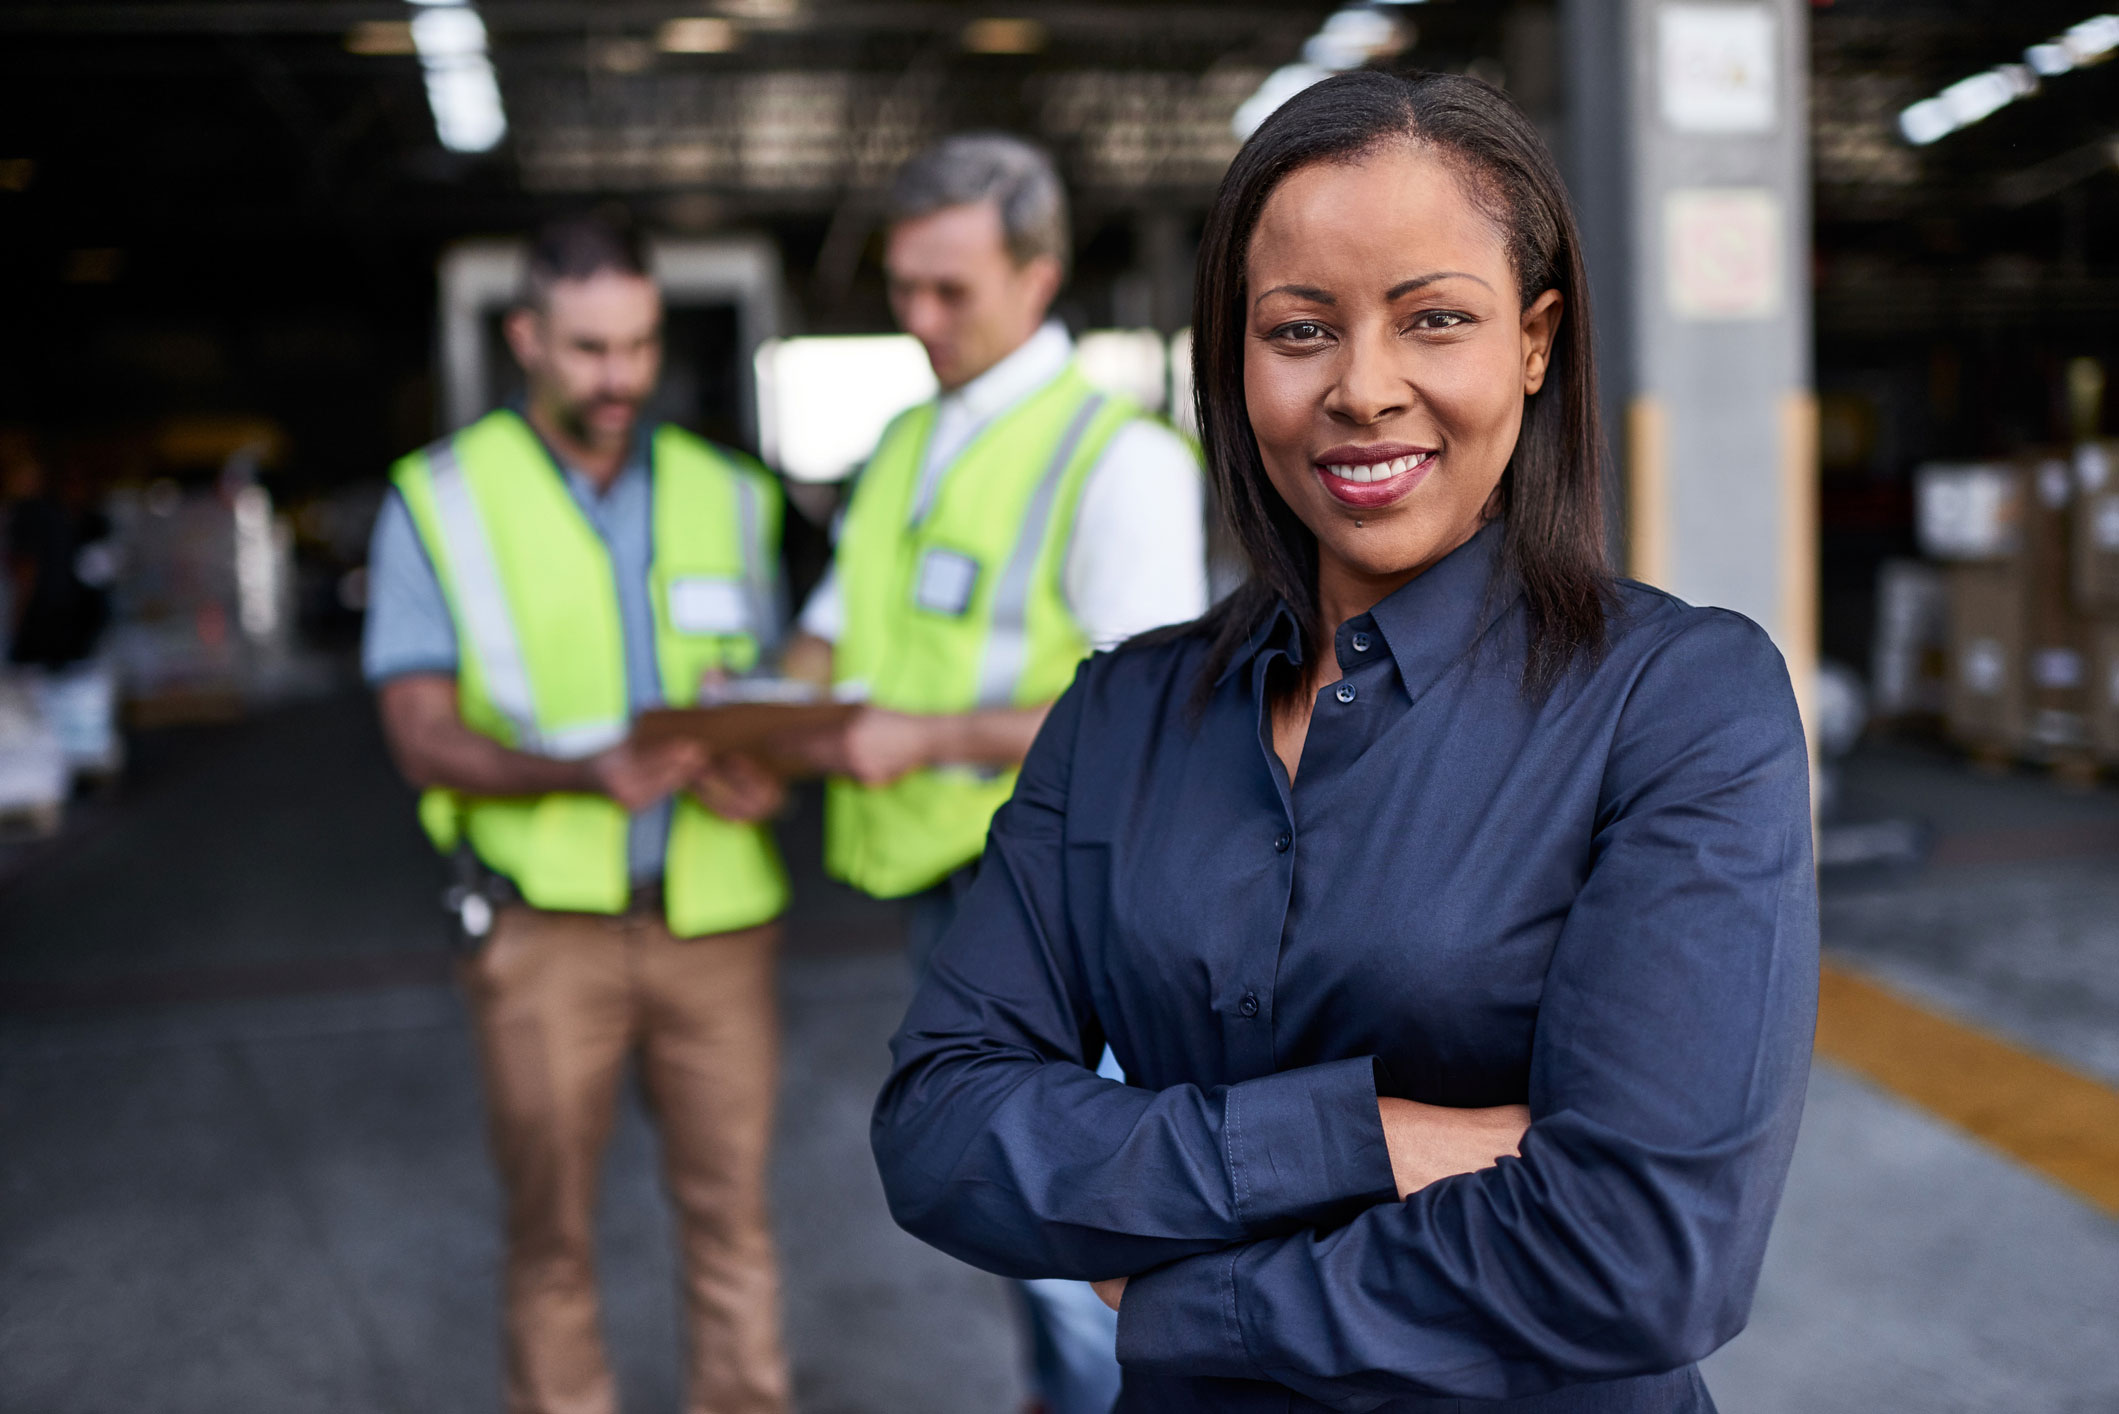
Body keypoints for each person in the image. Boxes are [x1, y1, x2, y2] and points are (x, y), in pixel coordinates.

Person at [870, 70, 1818, 1414]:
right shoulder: (1120, 715)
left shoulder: (1675, 702)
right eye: (1298, 329)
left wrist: (1196, 1300)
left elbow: (1641, 1256)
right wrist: (1366, 1137)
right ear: (1233, 356)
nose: (1363, 389)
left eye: (1433, 319)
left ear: (1534, 342)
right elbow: (939, 1131)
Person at [782, 134, 1208, 1414]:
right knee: (1011, 1195)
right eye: (902, 287)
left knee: (1078, 1220)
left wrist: (922, 736)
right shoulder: (906, 444)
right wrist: (753, 728)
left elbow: (1146, 714)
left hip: (1059, 909)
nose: (918, 319)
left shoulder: (1120, 462)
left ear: (1040, 275)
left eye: (949, 290)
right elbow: (828, 624)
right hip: (940, 886)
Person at [364, 212, 792, 1414]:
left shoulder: (731, 495)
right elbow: (420, 734)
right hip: (543, 931)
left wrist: (767, 766)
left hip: (717, 923)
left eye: (642, 347)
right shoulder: (437, 502)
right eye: (592, 350)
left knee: (734, 1219)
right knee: (550, 1235)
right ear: (526, 339)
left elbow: (768, 696)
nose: (622, 380)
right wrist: (578, 774)